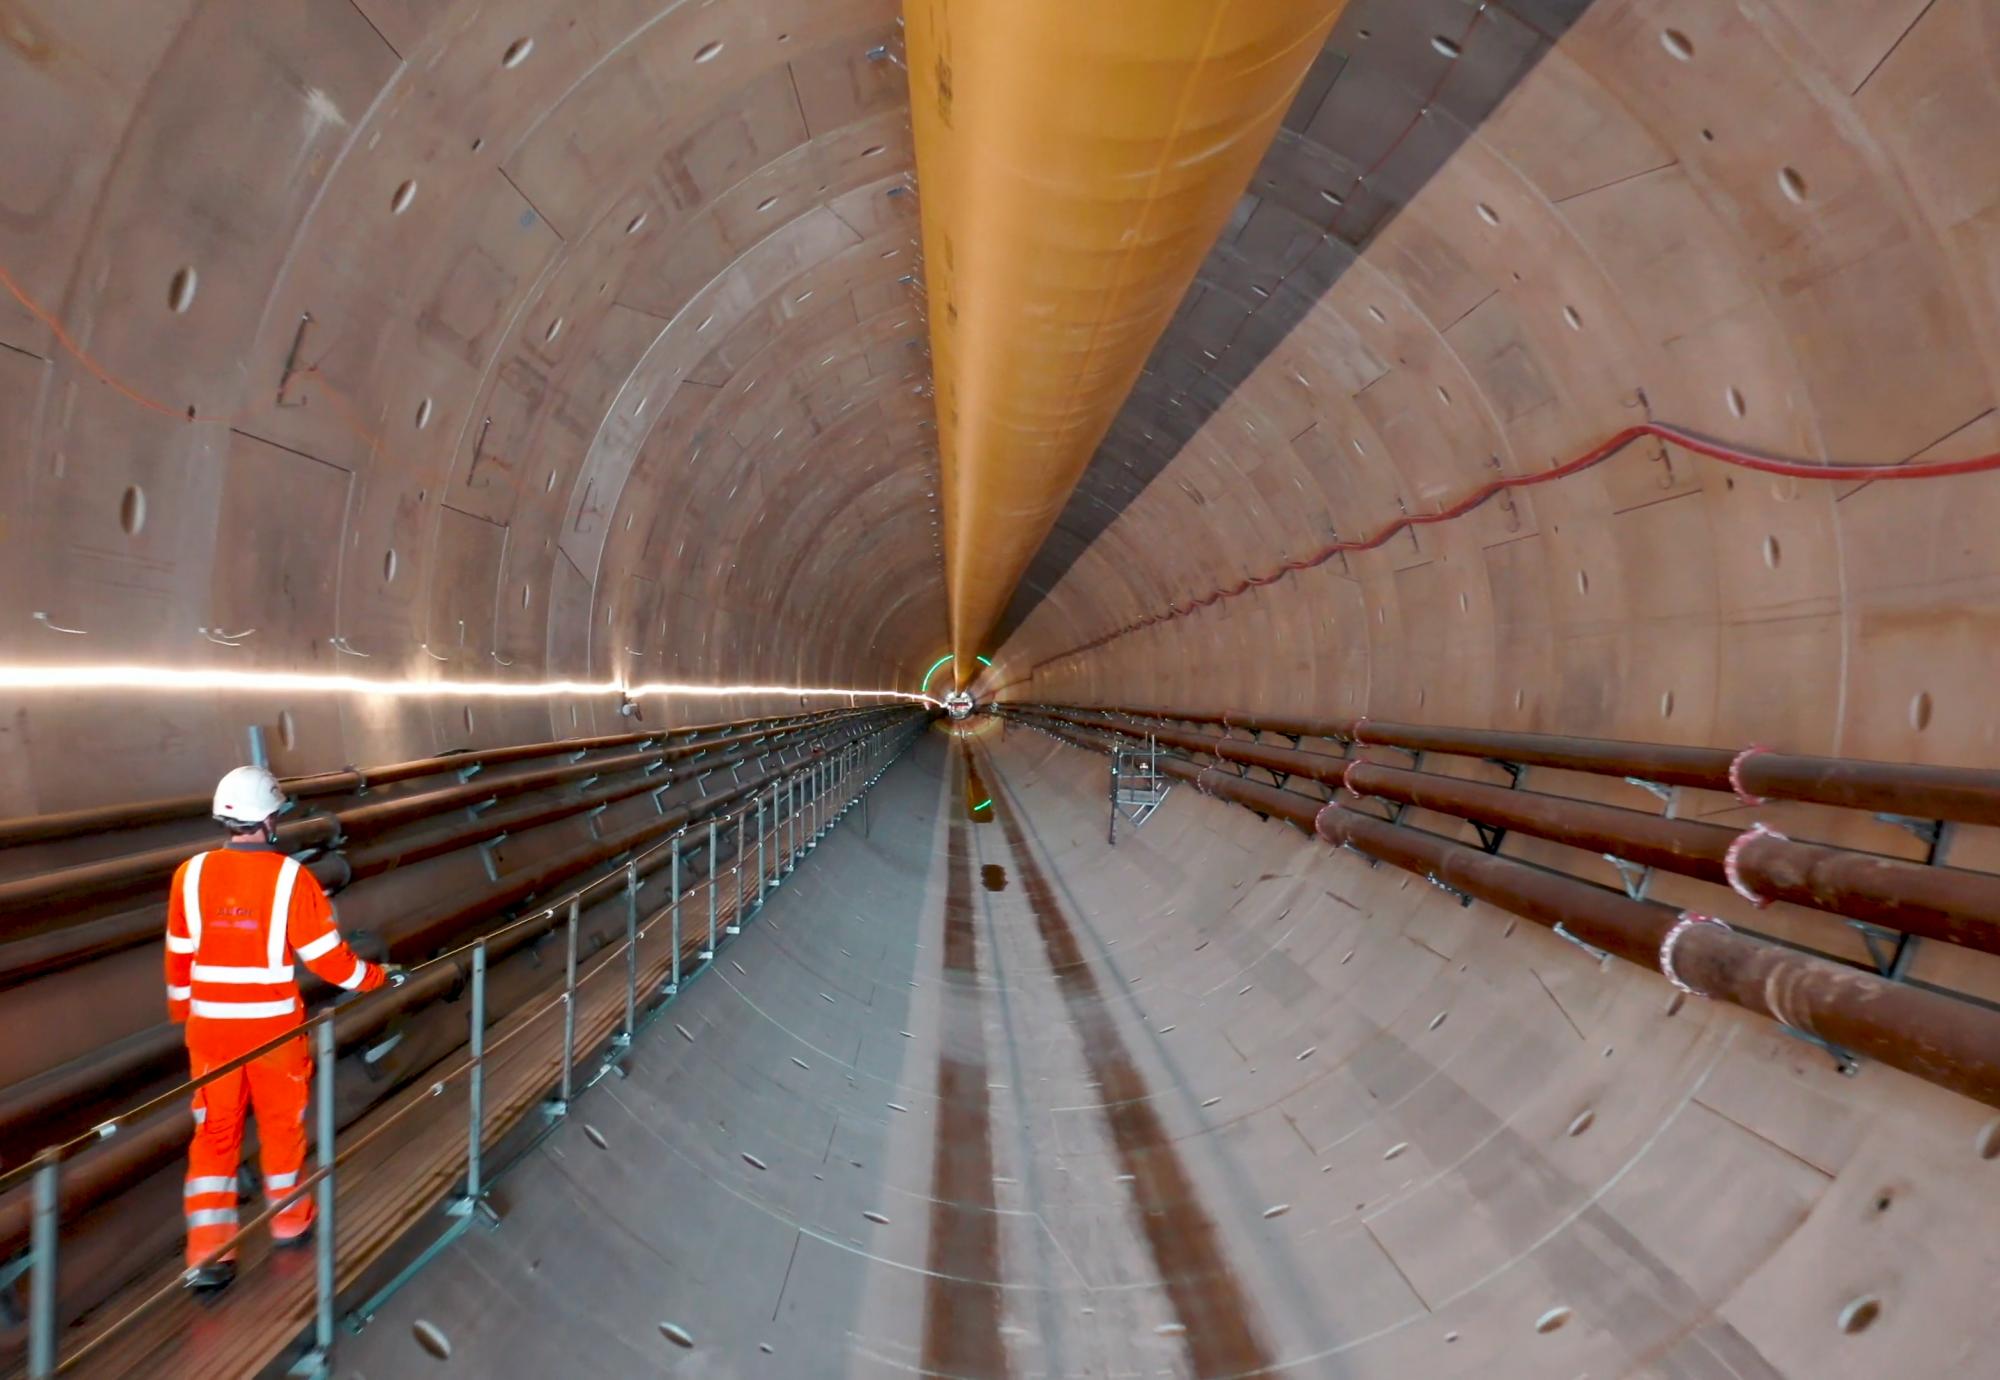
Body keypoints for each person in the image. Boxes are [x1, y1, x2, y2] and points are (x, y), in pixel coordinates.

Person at [166, 765, 405, 1291]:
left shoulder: (191, 875)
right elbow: (328, 959)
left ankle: (209, 1254)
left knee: (213, 1135)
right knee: (281, 1127)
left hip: (210, 1033)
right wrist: (375, 979)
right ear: (269, 819)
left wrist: (189, 1017)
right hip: (271, 1032)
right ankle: (290, 1222)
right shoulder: (290, 879)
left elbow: (179, 957)